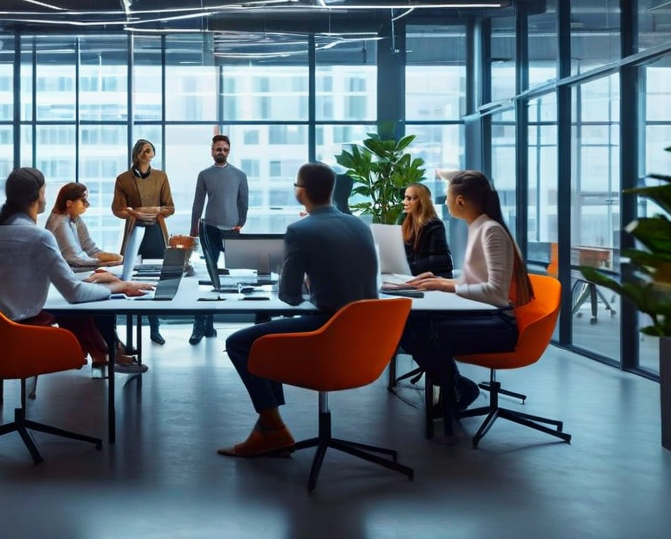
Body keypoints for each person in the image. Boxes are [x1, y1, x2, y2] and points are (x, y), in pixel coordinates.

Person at [218, 162, 378, 457]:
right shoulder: (360, 225)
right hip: (368, 339)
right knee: (266, 341)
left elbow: (289, 297)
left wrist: (304, 281)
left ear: (300, 192)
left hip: (329, 331)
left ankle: (274, 428)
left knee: (239, 343)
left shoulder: (300, 230)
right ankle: (266, 430)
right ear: (330, 190)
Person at [0, 168, 151, 373]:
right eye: (44, 193)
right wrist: (118, 286)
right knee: (77, 305)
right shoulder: (38, 236)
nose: (46, 200)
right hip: (15, 332)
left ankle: (103, 352)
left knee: (72, 300)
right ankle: (104, 353)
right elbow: (74, 293)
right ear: (37, 195)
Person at [402, 170, 532, 418]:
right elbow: (475, 280)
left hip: (500, 323)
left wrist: (446, 286)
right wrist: (438, 279)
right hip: (485, 315)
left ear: (460, 200)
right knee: (410, 322)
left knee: (418, 328)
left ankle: (457, 388)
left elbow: (495, 293)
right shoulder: (479, 227)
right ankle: (457, 387)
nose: (445, 202)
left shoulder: (490, 231)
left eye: (448, 197)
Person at [112, 139, 175, 345]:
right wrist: (132, 212)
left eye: (150, 150)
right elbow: (117, 209)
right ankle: (129, 329)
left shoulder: (161, 177)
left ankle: (154, 328)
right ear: (137, 155)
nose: (147, 154)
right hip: (135, 230)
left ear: (153, 155)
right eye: (144, 151)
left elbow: (170, 207)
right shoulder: (123, 179)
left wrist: (154, 211)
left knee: (155, 278)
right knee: (129, 275)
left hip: (156, 230)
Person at [188, 134, 249, 344]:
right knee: (210, 277)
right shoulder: (204, 174)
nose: (220, 152)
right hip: (209, 229)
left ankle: (256, 319)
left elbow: (244, 201)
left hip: (232, 229)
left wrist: (241, 222)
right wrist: (193, 228)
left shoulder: (240, 175)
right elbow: (197, 203)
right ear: (211, 150)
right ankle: (203, 325)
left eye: (224, 149)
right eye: (217, 149)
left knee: (240, 274)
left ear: (229, 151)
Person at [45, 182, 122, 268]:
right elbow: (74, 259)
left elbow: (91, 250)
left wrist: (116, 258)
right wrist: (104, 263)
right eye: (83, 200)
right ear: (69, 203)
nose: (87, 205)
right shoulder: (60, 223)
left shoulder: (74, 218)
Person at [401, 183, 453, 278]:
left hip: (436, 278)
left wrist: (408, 266)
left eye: (410, 198)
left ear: (422, 201)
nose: (404, 202)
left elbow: (440, 261)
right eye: (405, 198)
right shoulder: (406, 224)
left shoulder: (435, 225)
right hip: (415, 276)